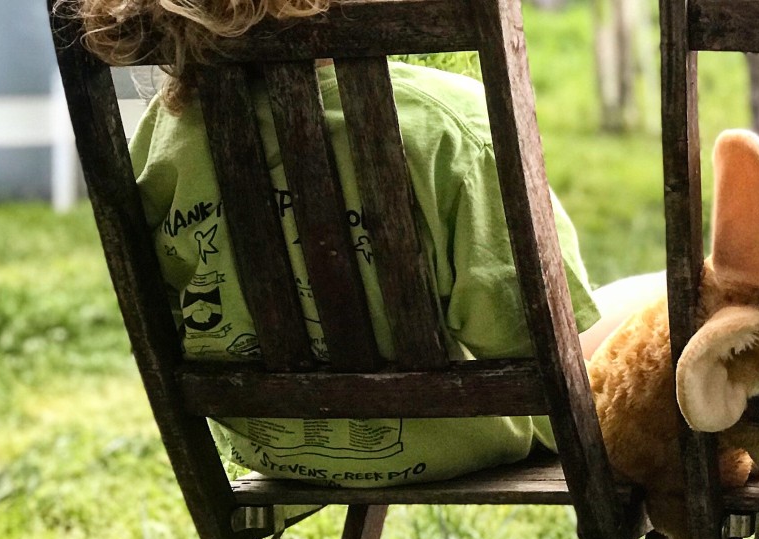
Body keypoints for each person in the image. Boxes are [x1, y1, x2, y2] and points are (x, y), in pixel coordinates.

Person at [67, 0, 602, 487]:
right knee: (645, 309)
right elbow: (529, 342)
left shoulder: (167, 133)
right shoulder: (448, 122)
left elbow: (168, 307)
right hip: (455, 436)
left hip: (272, 441)